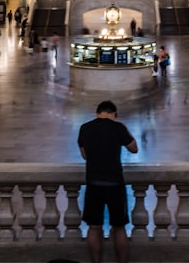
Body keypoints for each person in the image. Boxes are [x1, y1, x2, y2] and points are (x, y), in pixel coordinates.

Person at [77, 100, 138, 263]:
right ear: (114, 114)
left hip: (94, 183)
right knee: (119, 228)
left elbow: (85, 155)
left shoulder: (85, 128)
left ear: (97, 113)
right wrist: (125, 129)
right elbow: (134, 148)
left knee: (94, 227)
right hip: (115, 183)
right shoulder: (117, 128)